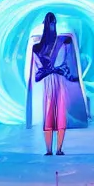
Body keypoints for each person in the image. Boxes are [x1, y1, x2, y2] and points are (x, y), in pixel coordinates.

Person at [32, 13, 79, 155]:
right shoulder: (39, 47)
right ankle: (52, 149)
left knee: (58, 116)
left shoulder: (62, 42)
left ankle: (56, 149)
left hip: (57, 83)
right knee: (50, 115)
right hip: (52, 83)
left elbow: (67, 65)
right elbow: (38, 74)